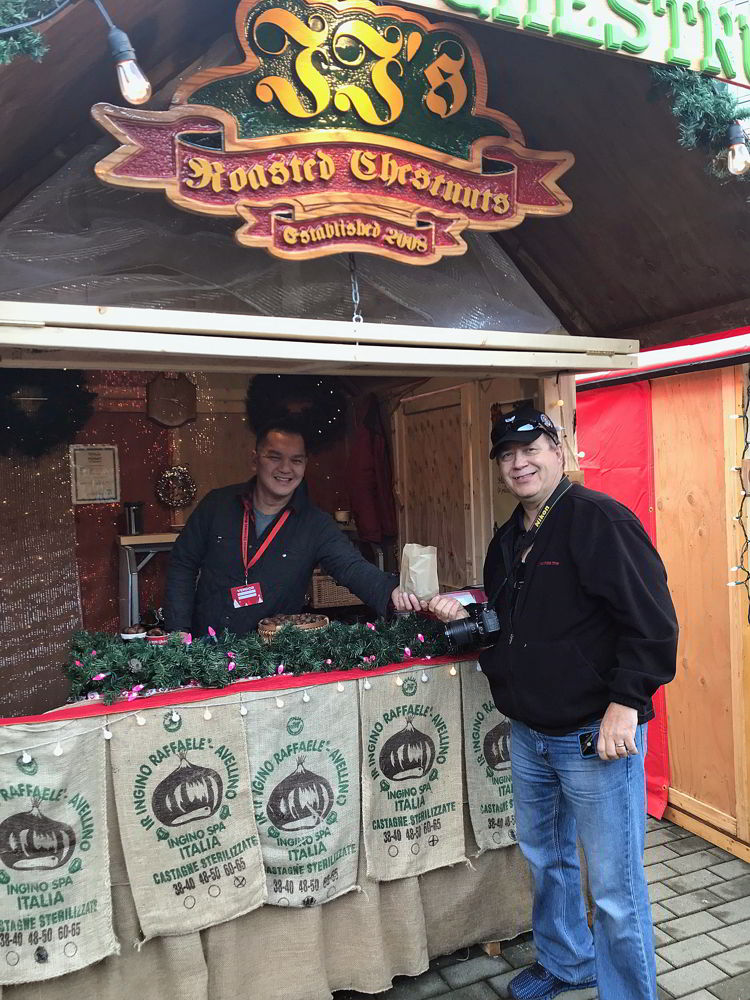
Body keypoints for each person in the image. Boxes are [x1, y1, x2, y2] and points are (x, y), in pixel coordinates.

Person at [429, 404, 678, 1000]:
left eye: (531, 448)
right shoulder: (509, 534)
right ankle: (568, 963)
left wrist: (626, 704)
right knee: (548, 862)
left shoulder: (597, 520)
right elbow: (512, 621)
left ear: (558, 450)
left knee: (615, 888)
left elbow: (653, 622)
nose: (520, 463)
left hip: (595, 734)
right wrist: (467, 615)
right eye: (508, 455)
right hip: (530, 733)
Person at [165, 416, 420, 637]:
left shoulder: (316, 525)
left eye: (296, 460)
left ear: (305, 464)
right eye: (275, 457)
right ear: (255, 459)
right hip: (207, 647)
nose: (286, 469)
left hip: (276, 655)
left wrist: (392, 592)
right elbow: (182, 564)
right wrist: (179, 633)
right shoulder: (216, 505)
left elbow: (351, 567)